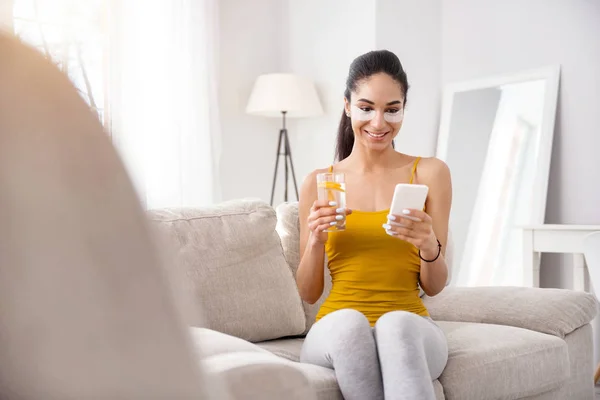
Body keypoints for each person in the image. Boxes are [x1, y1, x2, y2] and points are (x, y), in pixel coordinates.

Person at [296, 50, 452, 400]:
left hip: (411, 323)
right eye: (366, 108)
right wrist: (316, 241)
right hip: (336, 326)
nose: (379, 123)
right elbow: (307, 293)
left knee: (394, 325)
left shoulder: (430, 173)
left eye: (391, 109)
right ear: (348, 106)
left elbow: (437, 286)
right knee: (351, 324)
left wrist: (428, 246)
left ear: (403, 108)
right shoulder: (319, 182)